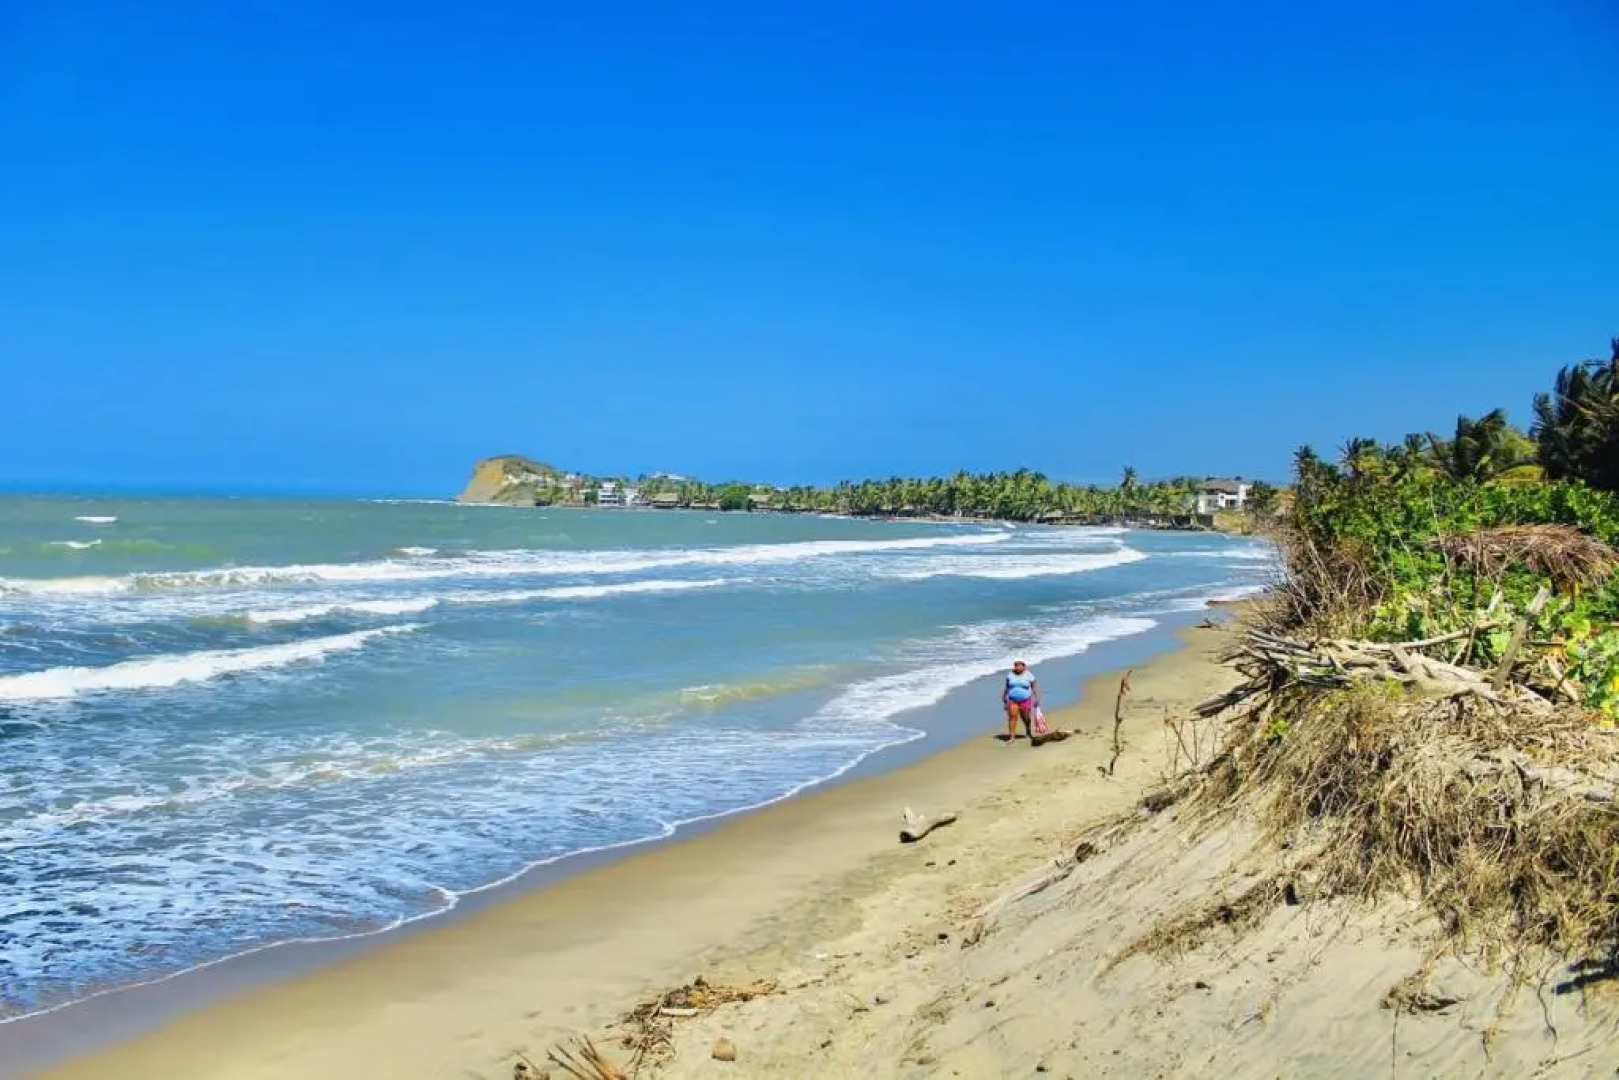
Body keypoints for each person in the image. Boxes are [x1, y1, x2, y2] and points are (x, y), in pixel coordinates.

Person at [1002, 658, 1039, 741]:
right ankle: (1012, 737)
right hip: (1012, 700)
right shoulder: (1010, 675)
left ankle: (1028, 730)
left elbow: (1034, 687)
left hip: (1025, 700)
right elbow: (1007, 687)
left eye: (1019, 665)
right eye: (1015, 665)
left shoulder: (1029, 675)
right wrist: (1004, 697)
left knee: (1026, 717)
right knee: (1012, 717)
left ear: (1024, 666)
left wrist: (1037, 699)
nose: (1017, 667)